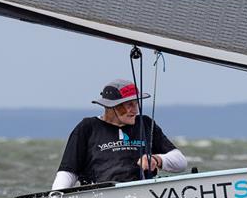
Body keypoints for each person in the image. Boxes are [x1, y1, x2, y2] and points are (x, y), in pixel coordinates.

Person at [51, 79, 187, 189]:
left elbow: (181, 161)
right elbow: (68, 172)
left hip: (142, 191)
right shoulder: (87, 127)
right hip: (101, 194)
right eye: (129, 105)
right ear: (111, 106)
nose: (135, 110)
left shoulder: (145, 123)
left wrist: (157, 159)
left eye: (136, 103)